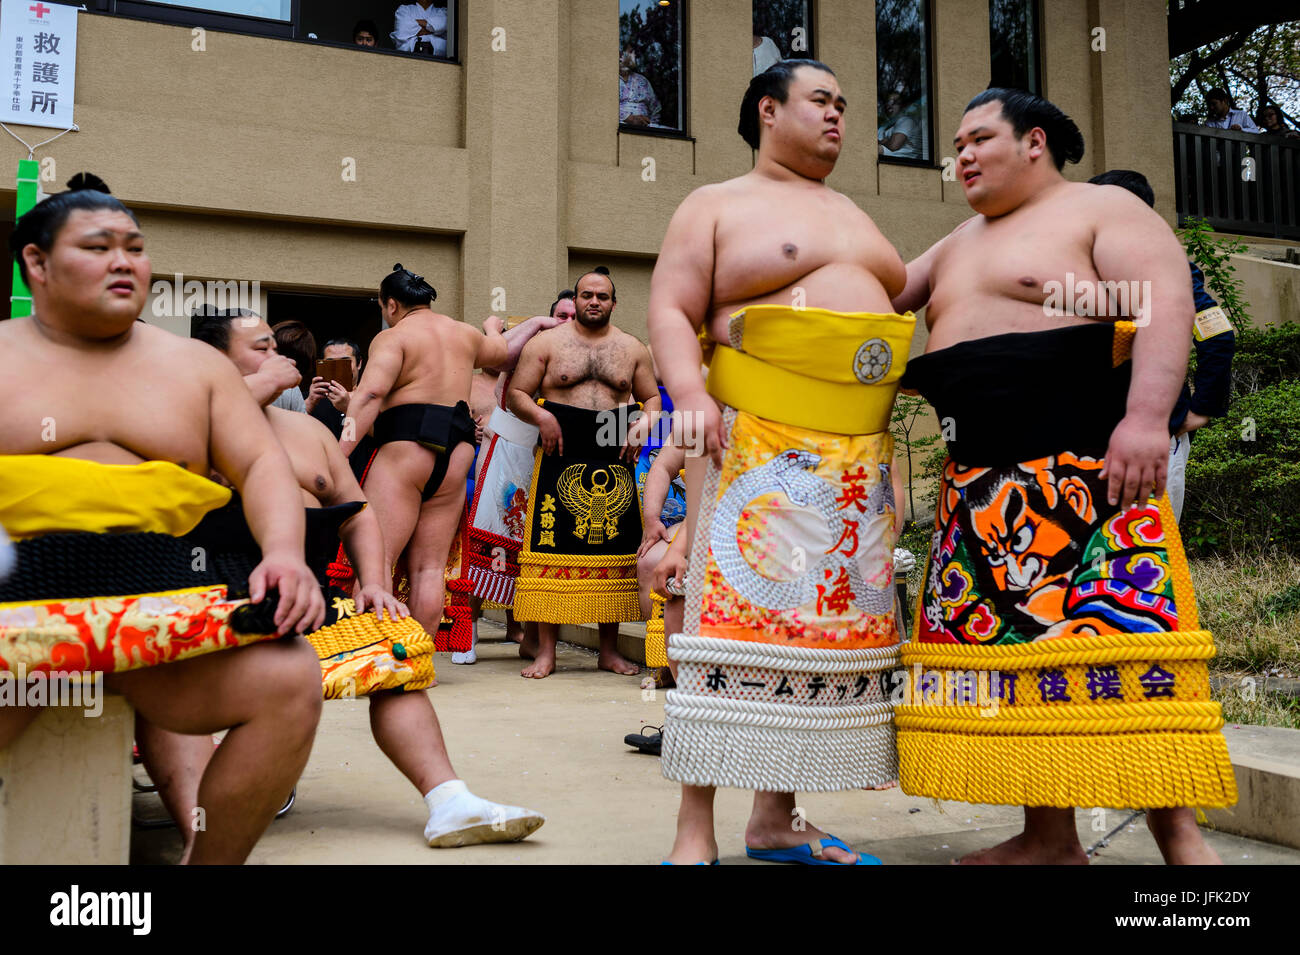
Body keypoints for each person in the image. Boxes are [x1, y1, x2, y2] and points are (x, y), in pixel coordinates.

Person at [891, 88, 1236, 865]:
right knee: (1021, 672)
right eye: (956, 144)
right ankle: (1048, 838)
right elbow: (875, 298)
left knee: (1118, 659)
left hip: (1086, 479)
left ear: (1035, 141)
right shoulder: (955, 242)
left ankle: (1185, 851)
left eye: (979, 138)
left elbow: (1164, 301)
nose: (962, 156)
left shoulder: (1101, 212)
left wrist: (1147, 418)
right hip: (974, 491)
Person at [0, 174, 325, 865]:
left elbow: (262, 465)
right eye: (99, 246)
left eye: (136, 247)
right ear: (36, 263)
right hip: (14, 599)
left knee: (289, 678)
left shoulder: (195, 367)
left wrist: (284, 554)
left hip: (157, 599)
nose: (125, 261)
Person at [144, 310, 545, 849]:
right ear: (213, 361)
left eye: (275, 349)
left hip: (306, 601)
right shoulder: (178, 419)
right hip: (206, 601)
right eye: (261, 348)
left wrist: (375, 581)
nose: (279, 359)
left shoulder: (308, 432)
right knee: (157, 670)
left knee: (394, 649)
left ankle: (449, 800)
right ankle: (206, 829)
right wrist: (258, 383)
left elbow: (356, 512)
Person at [648, 60, 914, 866]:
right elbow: (670, 301)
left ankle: (777, 818)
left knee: (819, 635)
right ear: (768, 109)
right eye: (821, 101)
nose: (839, 115)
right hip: (757, 439)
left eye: (844, 103)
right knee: (731, 626)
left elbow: (899, 301)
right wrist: (688, 387)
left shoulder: (853, 211)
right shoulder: (716, 203)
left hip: (857, 455)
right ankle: (695, 831)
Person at [340, 266, 544, 652]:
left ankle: (370, 656)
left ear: (392, 305)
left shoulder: (392, 337)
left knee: (377, 558)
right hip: (457, 450)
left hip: (407, 447)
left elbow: (367, 396)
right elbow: (503, 353)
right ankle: (418, 660)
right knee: (429, 568)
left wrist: (340, 453)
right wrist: (527, 324)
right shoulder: (465, 333)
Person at [507, 267, 661, 679]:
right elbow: (516, 394)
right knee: (551, 547)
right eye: (587, 295)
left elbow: (652, 399)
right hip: (561, 447)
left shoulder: (632, 348)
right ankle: (546, 653)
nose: (594, 301)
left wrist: (645, 423)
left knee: (612, 550)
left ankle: (608, 652)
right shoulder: (546, 343)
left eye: (603, 296)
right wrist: (541, 415)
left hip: (615, 449)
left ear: (613, 303)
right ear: (575, 300)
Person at [1088, 169, 1236, 521]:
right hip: (1083, 435)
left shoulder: (1170, 268)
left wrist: (1203, 408)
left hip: (1154, 438)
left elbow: (1217, 334)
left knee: (1152, 551)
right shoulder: (1076, 269)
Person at [465, 293, 576, 655]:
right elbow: (493, 355)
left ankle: (527, 636)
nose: (566, 321)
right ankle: (469, 627)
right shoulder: (529, 341)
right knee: (486, 537)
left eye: (571, 316)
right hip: (505, 450)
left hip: (547, 458)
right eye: (560, 314)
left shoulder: (583, 353)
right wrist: (537, 325)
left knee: (532, 548)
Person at [309, 337, 363, 439]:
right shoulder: (310, 399)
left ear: (359, 363)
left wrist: (348, 408)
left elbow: (381, 433)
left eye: (345, 362)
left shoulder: (371, 398)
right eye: (331, 363)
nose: (339, 369)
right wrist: (309, 402)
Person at [619, 50, 661, 128]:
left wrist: (651, 124)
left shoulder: (642, 80)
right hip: (620, 127)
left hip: (645, 128)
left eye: (633, 53)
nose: (633, 56)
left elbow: (656, 108)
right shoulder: (610, 80)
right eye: (630, 53)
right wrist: (629, 118)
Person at [878, 91, 920, 159]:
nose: (889, 106)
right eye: (888, 102)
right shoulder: (882, 128)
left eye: (895, 103)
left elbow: (893, 145)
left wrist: (883, 141)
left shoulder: (906, 121)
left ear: (902, 106)